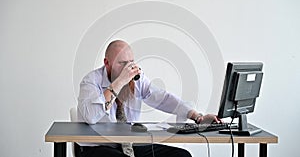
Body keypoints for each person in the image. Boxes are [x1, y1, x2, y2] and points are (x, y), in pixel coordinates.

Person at [76, 40, 221, 157]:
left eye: (131, 62)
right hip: (98, 147)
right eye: (122, 63)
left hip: (130, 145)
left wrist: (196, 116)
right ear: (107, 63)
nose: (129, 68)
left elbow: (162, 98)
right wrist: (119, 82)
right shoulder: (90, 82)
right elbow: (91, 116)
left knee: (182, 156)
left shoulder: (137, 80)